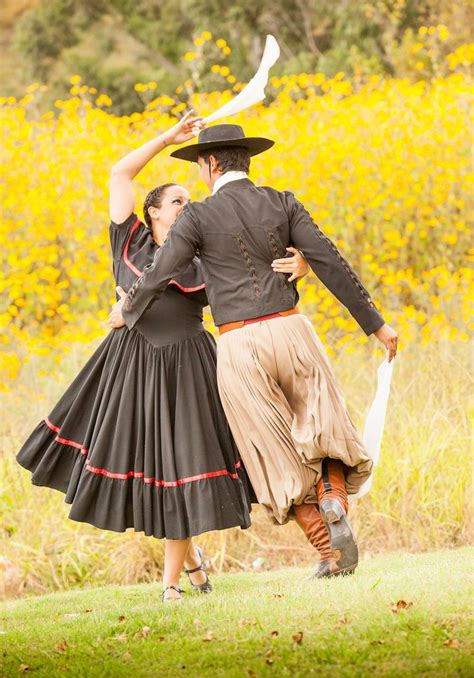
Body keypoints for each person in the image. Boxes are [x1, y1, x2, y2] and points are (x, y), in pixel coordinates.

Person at [16, 114, 310, 601]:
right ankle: (195, 570)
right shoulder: (128, 240)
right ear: (152, 212)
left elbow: (256, 285)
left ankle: (171, 586)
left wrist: (301, 265)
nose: (186, 207)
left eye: (189, 201)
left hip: (189, 369)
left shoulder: (205, 255)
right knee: (154, 473)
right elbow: (119, 174)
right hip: (129, 369)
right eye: (177, 201)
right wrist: (167, 140)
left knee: (181, 471)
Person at [109, 123, 399, 578]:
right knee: (324, 425)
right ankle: (334, 500)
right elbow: (327, 257)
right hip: (290, 330)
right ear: (245, 161)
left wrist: (128, 310)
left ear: (211, 164)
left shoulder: (198, 216)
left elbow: (161, 268)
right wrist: (376, 325)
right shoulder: (282, 201)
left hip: (239, 344)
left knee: (272, 451)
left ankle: (328, 550)